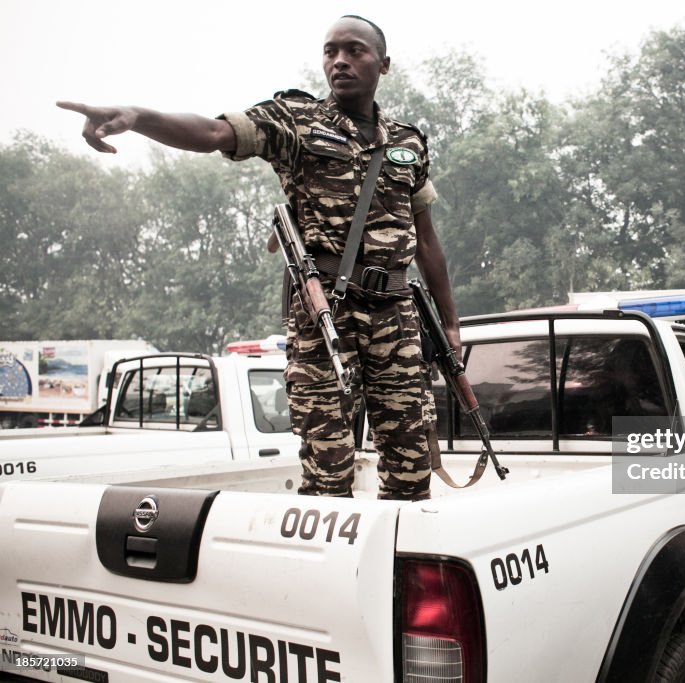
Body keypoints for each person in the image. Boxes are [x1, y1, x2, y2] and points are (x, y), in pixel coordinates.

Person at [58, 15, 460, 501]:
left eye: (354, 50)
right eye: (330, 51)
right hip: (324, 313)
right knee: (328, 472)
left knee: (411, 471)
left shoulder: (407, 142)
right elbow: (210, 133)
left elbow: (428, 240)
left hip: (396, 317)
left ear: (384, 64)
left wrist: (450, 323)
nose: (339, 61)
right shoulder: (296, 120)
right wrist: (136, 116)